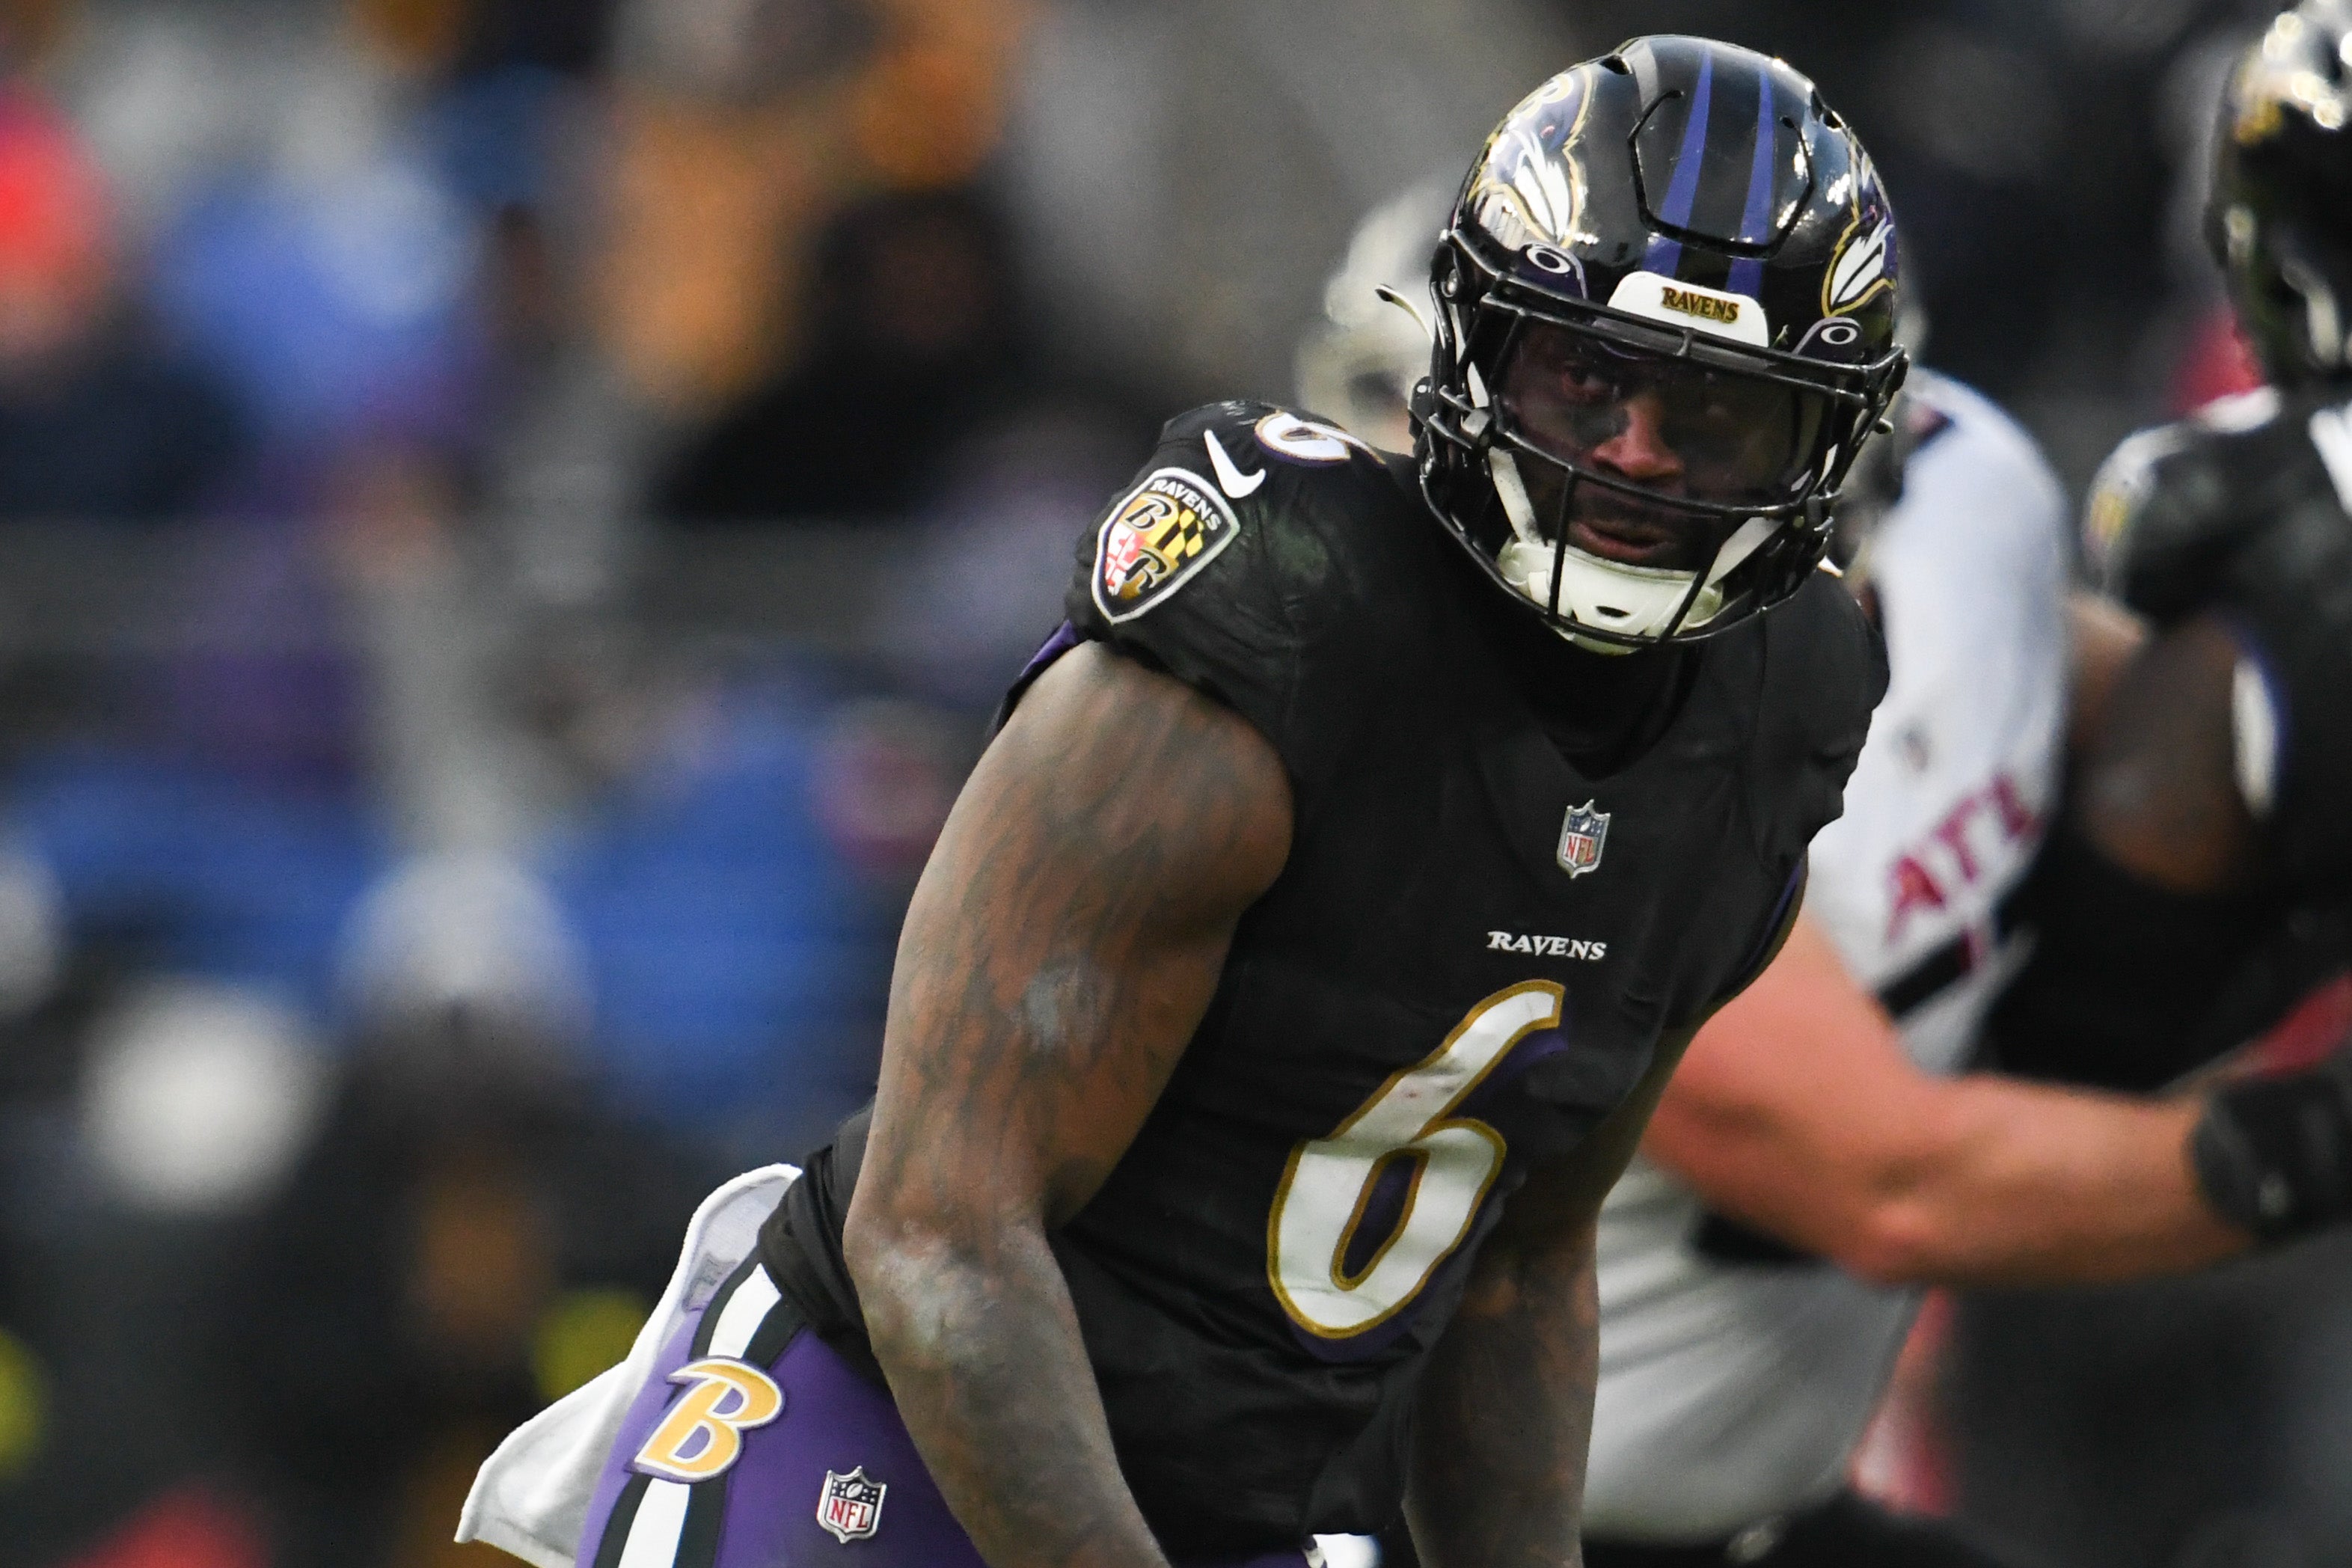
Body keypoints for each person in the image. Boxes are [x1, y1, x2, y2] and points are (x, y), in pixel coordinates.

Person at [458, 37, 1905, 1568]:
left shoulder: (1771, 712)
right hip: (891, 1432)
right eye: (1590, 376)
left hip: (1260, 1494)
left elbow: (1522, 1260)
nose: (1636, 457)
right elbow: (940, 1236)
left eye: (1716, 413)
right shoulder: (1277, 621)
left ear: (1819, 439)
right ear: (1482, 340)